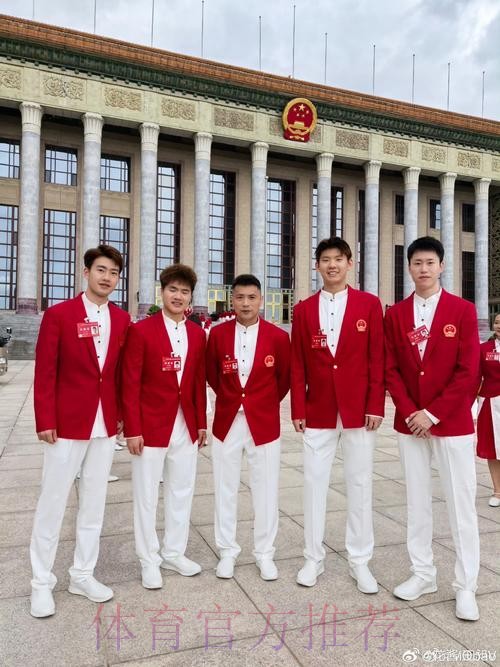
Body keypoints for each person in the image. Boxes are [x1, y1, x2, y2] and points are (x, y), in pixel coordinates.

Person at [30, 245, 130, 618]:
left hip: (104, 425)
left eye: (114, 273)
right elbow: (45, 371)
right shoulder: (59, 315)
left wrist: (120, 415)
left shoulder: (121, 319)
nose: (107, 278)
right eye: (101, 270)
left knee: (94, 502)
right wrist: (45, 418)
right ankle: (41, 582)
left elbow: (118, 373)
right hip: (66, 423)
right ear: (86, 272)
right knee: (53, 501)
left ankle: (82, 574)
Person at [385, 236, 481, 621]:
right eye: (417, 263)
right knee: (417, 500)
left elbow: (468, 371)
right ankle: (422, 573)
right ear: (408, 268)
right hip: (410, 424)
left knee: (461, 504)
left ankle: (466, 585)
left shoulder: (462, 310)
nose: (423, 269)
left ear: (441, 266)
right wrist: (412, 412)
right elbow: (391, 368)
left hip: (452, 423)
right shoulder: (395, 315)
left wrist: (434, 414)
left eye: (430, 262)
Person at [291, 237, 384, 592]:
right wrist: (298, 408)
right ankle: (312, 558)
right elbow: (298, 364)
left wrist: (376, 404)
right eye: (325, 260)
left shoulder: (369, 305)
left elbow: (377, 357)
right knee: (314, 483)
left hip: (359, 410)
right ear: (317, 266)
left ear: (349, 263)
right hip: (318, 410)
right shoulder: (303, 310)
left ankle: (360, 561)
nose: (332, 265)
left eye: (338, 259)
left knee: (359, 483)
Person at [121, 264, 207, 590]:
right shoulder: (141, 331)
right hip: (150, 426)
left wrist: (201, 423)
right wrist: (133, 428)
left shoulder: (197, 334)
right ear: (162, 292)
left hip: (185, 425)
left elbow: (198, 382)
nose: (178, 296)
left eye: (184, 292)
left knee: (181, 490)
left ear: (190, 298)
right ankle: (148, 559)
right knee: (146, 495)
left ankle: (174, 552)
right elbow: (130, 383)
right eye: (173, 290)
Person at [206, 274, 290, 580]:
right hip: (227, 421)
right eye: (240, 297)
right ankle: (227, 551)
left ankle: (264, 553)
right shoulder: (217, 335)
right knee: (224, 488)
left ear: (260, 300)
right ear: (232, 300)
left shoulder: (278, 337)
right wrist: (233, 399)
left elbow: (283, 381)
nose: (245, 303)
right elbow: (212, 375)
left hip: (263, 423)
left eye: (251, 298)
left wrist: (259, 403)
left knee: (265, 489)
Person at [476, 312, 500, 507]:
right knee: (493, 448)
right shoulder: (484, 349)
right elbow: (474, 376)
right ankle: (497, 491)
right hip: (491, 404)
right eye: (497, 322)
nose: (499, 325)